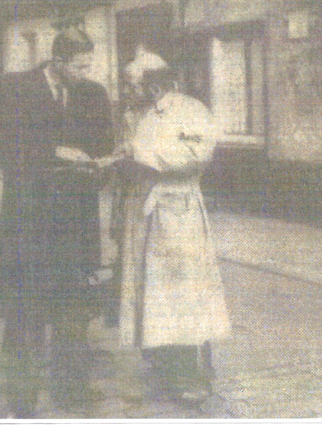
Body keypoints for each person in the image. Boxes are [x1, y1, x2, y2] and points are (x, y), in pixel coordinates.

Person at [0, 24, 114, 418]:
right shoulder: (15, 89)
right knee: (25, 311)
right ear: (57, 61)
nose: (85, 71)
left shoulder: (93, 95)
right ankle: (23, 401)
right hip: (30, 222)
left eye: (89, 64)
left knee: (74, 309)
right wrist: (58, 151)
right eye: (79, 65)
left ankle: (72, 389)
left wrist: (103, 165)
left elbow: (102, 147)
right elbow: (6, 144)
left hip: (76, 222)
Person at [114, 50, 231, 403]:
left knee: (182, 296)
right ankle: (166, 365)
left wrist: (141, 157)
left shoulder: (191, 111)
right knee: (153, 294)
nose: (126, 91)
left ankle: (193, 374)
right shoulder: (139, 115)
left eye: (130, 84)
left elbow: (197, 154)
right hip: (144, 211)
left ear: (152, 85)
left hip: (177, 213)